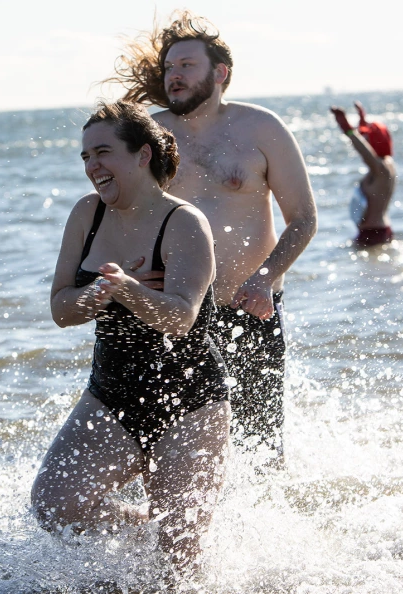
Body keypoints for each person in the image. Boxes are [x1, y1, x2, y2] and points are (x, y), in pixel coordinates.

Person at [106, 10, 318, 461]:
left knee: (258, 447)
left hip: (249, 307)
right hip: (171, 312)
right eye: (168, 68)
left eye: (186, 66)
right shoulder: (151, 134)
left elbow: (303, 219)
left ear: (220, 73)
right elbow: (117, 210)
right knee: (164, 445)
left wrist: (265, 277)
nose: (173, 76)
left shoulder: (261, 128)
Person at [31, 101, 230, 572]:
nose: (92, 165)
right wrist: (98, 293)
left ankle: (172, 536)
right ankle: (145, 532)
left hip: (190, 400)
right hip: (111, 393)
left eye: (102, 152)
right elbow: (60, 308)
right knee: (54, 506)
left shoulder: (184, 222)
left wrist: (126, 288)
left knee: (178, 561)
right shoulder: (87, 215)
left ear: (142, 155)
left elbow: (180, 318)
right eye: (85, 157)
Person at [330, 102, 396, 247]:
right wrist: (362, 119)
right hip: (381, 231)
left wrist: (347, 129)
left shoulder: (380, 168)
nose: (365, 139)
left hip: (373, 234)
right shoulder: (388, 165)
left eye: (368, 138)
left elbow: (365, 152)